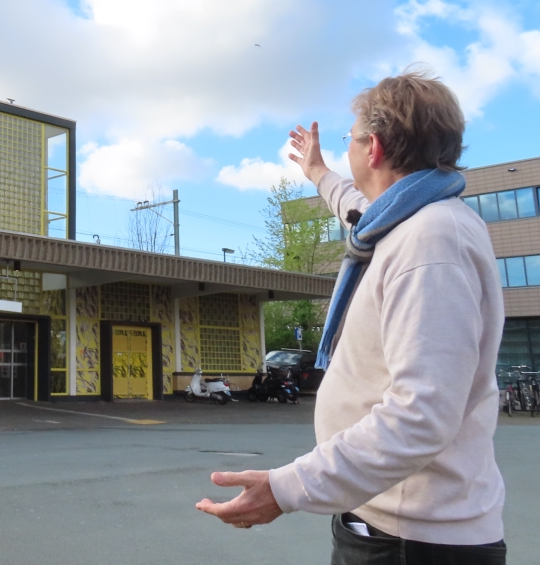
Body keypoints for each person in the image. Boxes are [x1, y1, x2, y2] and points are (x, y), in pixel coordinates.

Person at [196, 70, 507, 564]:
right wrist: (319, 172)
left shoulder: (429, 240)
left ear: (374, 148)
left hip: (414, 542)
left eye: (352, 138)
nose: (350, 149)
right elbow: (357, 209)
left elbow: (421, 415)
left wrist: (286, 488)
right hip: (391, 525)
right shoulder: (404, 221)